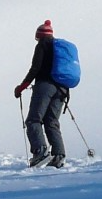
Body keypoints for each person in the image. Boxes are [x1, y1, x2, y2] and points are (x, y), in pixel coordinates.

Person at [14, 20, 68, 168]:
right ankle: (59, 155)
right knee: (51, 122)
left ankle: (40, 151)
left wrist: (22, 87)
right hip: (62, 88)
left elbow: (35, 68)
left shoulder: (42, 45)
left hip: (45, 86)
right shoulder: (59, 48)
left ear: (38, 35)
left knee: (33, 120)